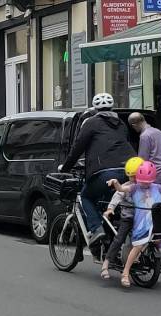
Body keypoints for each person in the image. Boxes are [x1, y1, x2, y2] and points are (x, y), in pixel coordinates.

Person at [60, 93, 136, 253]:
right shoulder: (121, 123)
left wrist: (66, 167)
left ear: (95, 109)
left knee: (87, 196)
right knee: (111, 204)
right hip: (128, 170)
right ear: (112, 108)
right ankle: (112, 243)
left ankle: (96, 229)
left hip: (105, 172)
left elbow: (77, 148)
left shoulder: (91, 123)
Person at [100, 156, 144, 280]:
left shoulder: (145, 186)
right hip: (128, 218)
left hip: (141, 219)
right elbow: (117, 196)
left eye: (136, 176)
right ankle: (106, 264)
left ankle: (138, 258)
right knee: (119, 239)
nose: (133, 179)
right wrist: (110, 209)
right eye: (131, 176)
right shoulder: (126, 186)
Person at [128, 112, 161, 184]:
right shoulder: (160, 132)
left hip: (154, 175)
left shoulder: (145, 136)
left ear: (134, 125)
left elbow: (142, 160)